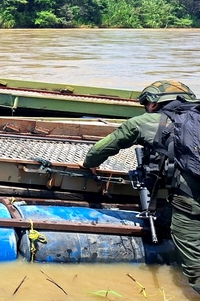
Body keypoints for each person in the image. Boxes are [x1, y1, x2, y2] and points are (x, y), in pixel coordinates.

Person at [81, 79, 200, 295]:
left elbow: (102, 148)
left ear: (153, 103)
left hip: (191, 202)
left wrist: (90, 164)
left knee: (195, 263)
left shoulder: (147, 121)